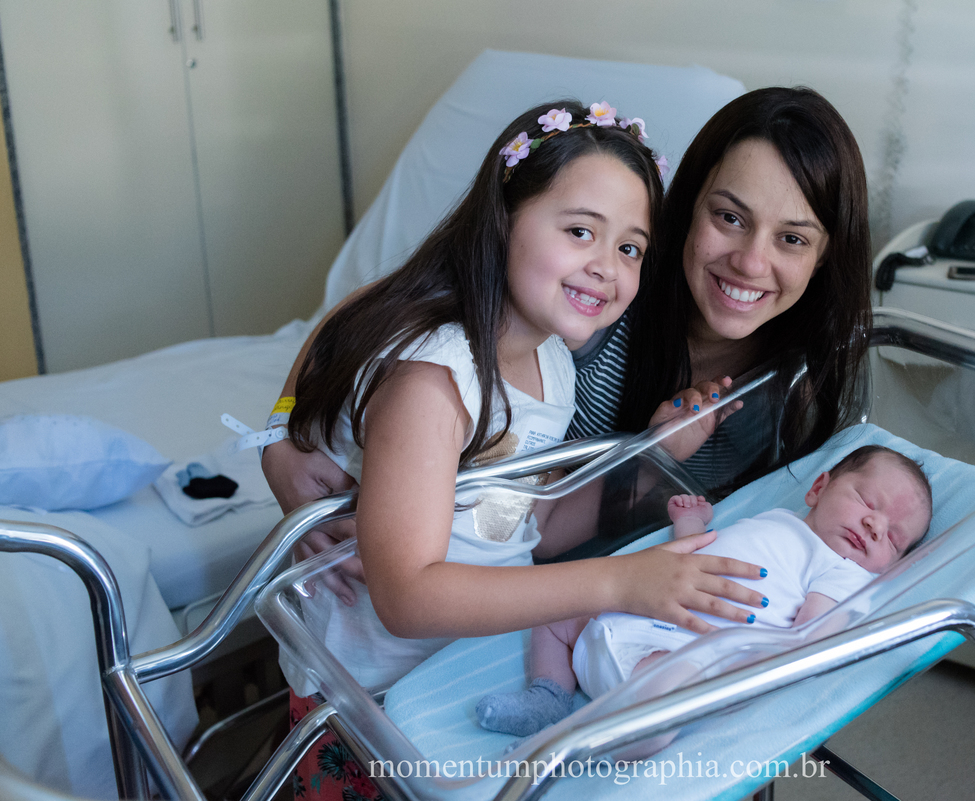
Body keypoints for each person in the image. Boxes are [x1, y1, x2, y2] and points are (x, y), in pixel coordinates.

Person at [278, 99, 772, 800]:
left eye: (629, 248)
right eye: (580, 231)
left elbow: (526, 523)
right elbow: (406, 595)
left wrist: (656, 453)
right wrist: (618, 581)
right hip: (368, 705)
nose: (607, 267)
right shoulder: (435, 381)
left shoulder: (551, 365)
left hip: (464, 672)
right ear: (505, 219)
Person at [263, 85, 873, 599]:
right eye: (730, 218)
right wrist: (282, 434)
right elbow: (389, 303)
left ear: (824, 256)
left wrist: (655, 456)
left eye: (793, 239)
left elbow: (541, 516)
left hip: (595, 612)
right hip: (516, 604)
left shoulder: (800, 385)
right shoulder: (587, 310)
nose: (750, 261)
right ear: (688, 209)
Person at [474, 445, 933, 737]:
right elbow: (697, 558)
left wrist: (755, 665)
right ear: (817, 489)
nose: (875, 525)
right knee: (557, 607)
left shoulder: (843, 571)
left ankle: (581, 748)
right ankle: (548, 697)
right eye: (867, 501)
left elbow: (811, 638)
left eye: (893, 538)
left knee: (667, 695)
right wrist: (691, 524)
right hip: (632, 615)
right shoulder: (777, 521)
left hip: (682, 654)